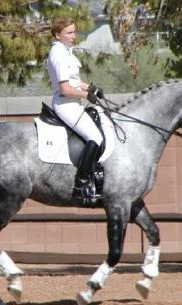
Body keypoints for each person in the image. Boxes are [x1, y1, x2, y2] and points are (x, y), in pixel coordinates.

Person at [47, 16, 104, 202]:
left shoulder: (67, 52)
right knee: (95, 137)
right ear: (57, 35)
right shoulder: (59, 55)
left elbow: (75, 81)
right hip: (65, 104)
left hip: (73, 103)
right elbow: (65, 89)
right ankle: (80, 184)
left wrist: (91, 87)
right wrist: (86, 96)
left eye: (74, 31)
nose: (74, 36)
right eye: (69, 33)